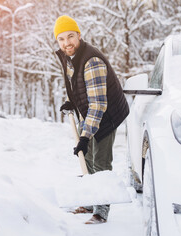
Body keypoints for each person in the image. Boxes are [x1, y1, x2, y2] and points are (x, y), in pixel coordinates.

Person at [54, 15, 129, 224]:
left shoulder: (91, 60)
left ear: (79, 35)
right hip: (89, 112)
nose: (66, 42)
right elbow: (78, 85)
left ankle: (101, 211)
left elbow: (98, 105)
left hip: (107, 114)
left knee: (100, 162)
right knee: (86, 158)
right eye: (61, 39)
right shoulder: (69, 56)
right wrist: (73, 103)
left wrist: (86, 136)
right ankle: (89, 201)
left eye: (70, 36)